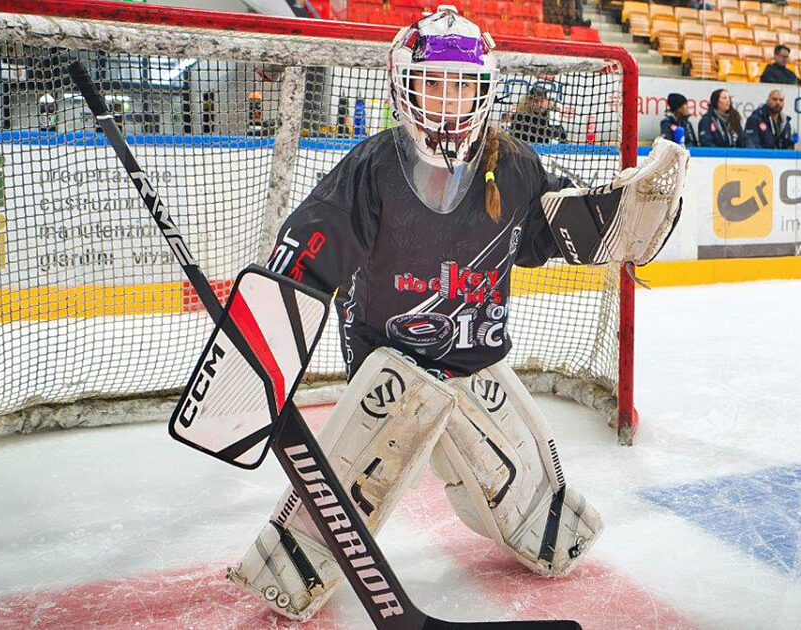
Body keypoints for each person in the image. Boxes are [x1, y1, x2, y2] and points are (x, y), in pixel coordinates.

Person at [226, 6, 688, 621]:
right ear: (404, 86)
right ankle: (295, 555)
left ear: (484, 88)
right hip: (389, 363)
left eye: (463, 84)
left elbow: (555, 230)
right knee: (398, 397)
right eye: (435, 83)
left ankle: (523, 505)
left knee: (550, 532)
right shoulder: (372, 170)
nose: (450, 100)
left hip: (473, 363)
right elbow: (305, 264)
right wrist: (262, 362)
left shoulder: (515, 166)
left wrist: (621, 216)